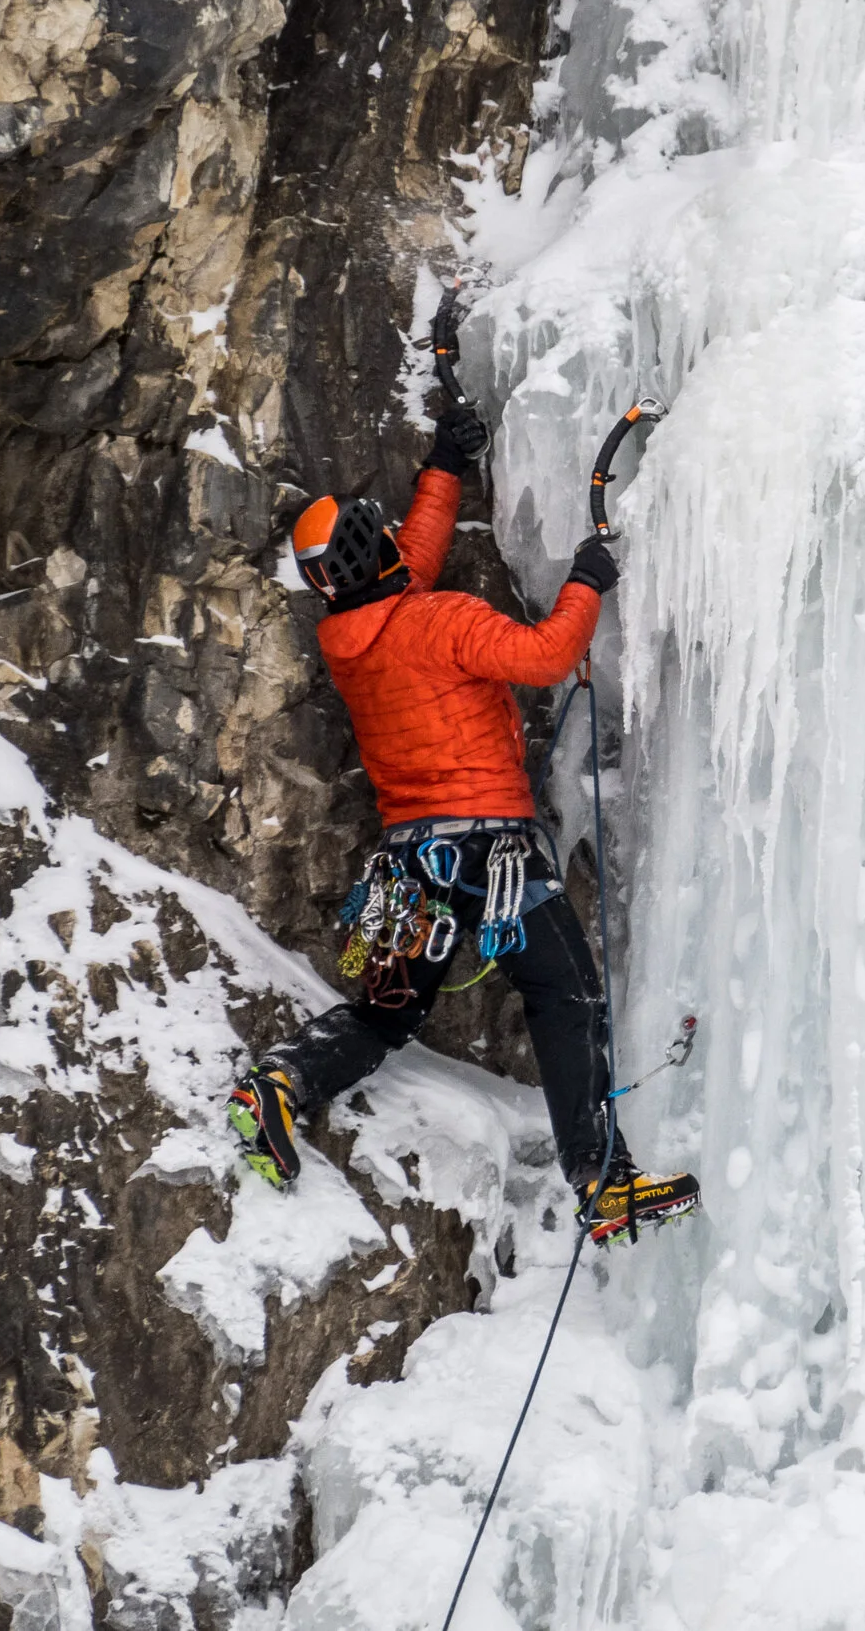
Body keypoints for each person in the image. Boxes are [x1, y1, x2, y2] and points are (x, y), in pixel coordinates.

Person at [226, 398, 698, 1244]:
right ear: (371, 553)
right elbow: (548, 654)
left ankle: (281, 1084)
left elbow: (406, 564)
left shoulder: (350, 637)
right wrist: (588, 580)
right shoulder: (441, 622)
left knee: (385, 1012)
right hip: (491, 854)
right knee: (567, 991)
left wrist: (446, 463)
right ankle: (602, 1178)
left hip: (406, 864)